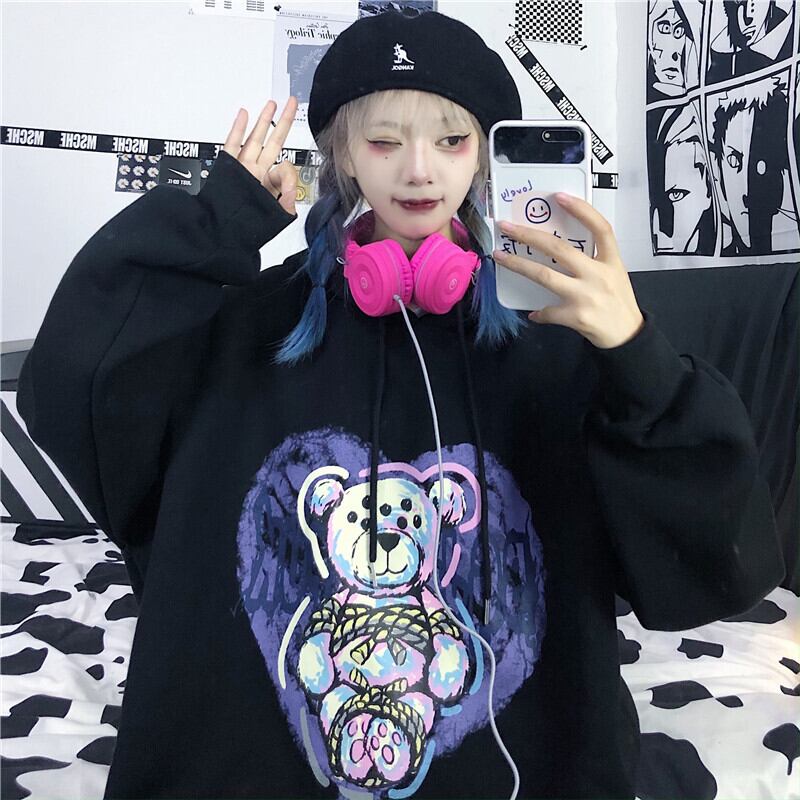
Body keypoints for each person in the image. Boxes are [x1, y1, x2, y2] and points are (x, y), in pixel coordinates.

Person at [17, 10, 784, 800]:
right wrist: (216, 223)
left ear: (484, 154)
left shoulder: (557, 337)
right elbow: (78, 384)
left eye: (451, 140)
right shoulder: (247, 327)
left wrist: (633, 348)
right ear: (343, 154)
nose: (420, 172)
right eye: (385, 142)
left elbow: (714, 556)